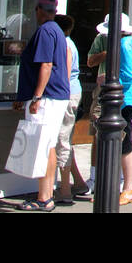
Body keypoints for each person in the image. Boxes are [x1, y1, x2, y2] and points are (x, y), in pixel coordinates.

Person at [86, 14, 132, 205]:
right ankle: (109, 185)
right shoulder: (126, 44)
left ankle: (127, 187)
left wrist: (111, 79)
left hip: (123, 98)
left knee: (122, 141)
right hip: (120, 96)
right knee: (108, 138)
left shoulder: (125, 45)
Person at [12, 0, 70, 211]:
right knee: (49, 146)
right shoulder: (57, 31)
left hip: (47, 98)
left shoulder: (46, 31)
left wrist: (36, 96)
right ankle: (47, 194)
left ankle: (44, 198)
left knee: (43, 146)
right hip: (56, 97)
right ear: (54, 11)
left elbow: (46, 65)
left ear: (38, 10)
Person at [53, 15, 88, 204]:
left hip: (66, 94)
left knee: (62, 140)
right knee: (66, 139)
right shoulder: (70, 42)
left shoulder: (65, 45)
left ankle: (65, 190)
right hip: (74, 92)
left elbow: (64, 73)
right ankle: (79, 182)